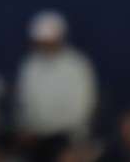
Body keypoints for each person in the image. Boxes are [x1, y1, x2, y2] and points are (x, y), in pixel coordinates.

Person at [14, 11, 97, 162]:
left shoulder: (77, 66)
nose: (44, 47)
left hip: (70, 137)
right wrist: (27, 127)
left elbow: (81, 110)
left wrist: (48, 130)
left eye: (48, 42)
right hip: (35, 138)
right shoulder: (29, 65)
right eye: (40, 42)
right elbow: (23, 103)